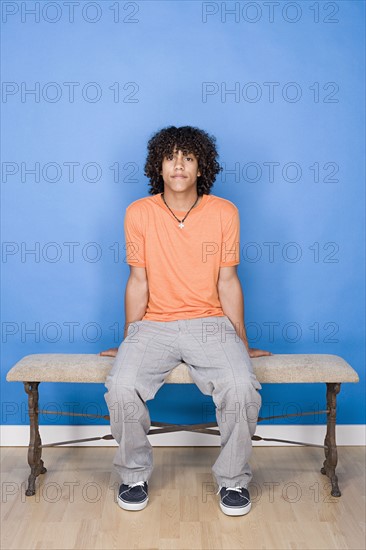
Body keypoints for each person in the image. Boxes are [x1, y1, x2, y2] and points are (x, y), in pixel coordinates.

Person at [101, 125, 272, 516]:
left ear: (200, 168)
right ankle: (133, 475)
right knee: (123, 386)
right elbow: (138, 281)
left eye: (188, 157)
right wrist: (129, 338)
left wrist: (241, 342)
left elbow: (228, 281)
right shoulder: (139, 213)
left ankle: (233, 482)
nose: (178, 165)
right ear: (158, 166)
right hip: (154, 326)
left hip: (210, 323)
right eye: (170, 157)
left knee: (242, 386)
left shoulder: (224, 212)